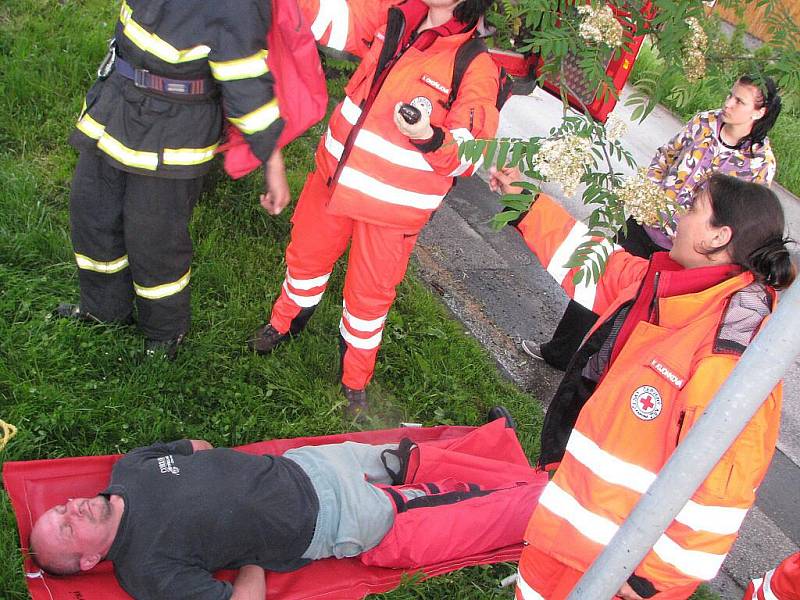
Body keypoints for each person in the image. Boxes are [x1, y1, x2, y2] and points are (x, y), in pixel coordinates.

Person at [509, 174, 793, 599]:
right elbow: (600, 268)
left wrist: (652, 580)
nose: (680, 216)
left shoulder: (730, 351)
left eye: (693, 208)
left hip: (618, 572)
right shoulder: (674, 287)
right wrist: (527, 204)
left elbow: (722, 493)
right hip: (568, 534)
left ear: (719, 236)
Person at [246, 0, 500, 417]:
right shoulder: (395, 15)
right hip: (333, 182)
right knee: (305, 260)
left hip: (390, 212)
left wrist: (429, 136)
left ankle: (354, 382)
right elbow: (329, 18)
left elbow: (470, 154)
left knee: (368, 300)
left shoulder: (475, 64)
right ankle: (285, 323)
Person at [27, 412, 530, 600]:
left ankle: (495, 449)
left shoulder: (128, 470)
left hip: (306, 464)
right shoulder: (146, 572)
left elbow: (195, 447)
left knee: (406, 458)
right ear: (90, 561)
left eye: (60, 511)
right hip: (330, 519)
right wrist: (252, 549)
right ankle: (546, 498)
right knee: (444, 506)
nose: (72, 510)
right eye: (67, 530)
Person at [496, 75, 782, 371]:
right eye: (730, 95)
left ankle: (598, 372)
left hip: (682, 253)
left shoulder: (759, 164)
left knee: (636, 312)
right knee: (596, 275)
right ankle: (559, 352)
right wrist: (647, 194)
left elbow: (742, 223)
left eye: (739, 101)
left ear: (759, 113)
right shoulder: (705, 122)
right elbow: (665, 156)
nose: (728, 103)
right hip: (644, 222)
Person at [56, 0, 291, 359]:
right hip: (118, 103)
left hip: (175, 130)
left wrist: (272, 162)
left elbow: (246, 83)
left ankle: (164, 334)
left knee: (154, 239)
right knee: (91, 213)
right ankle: (103, 309)